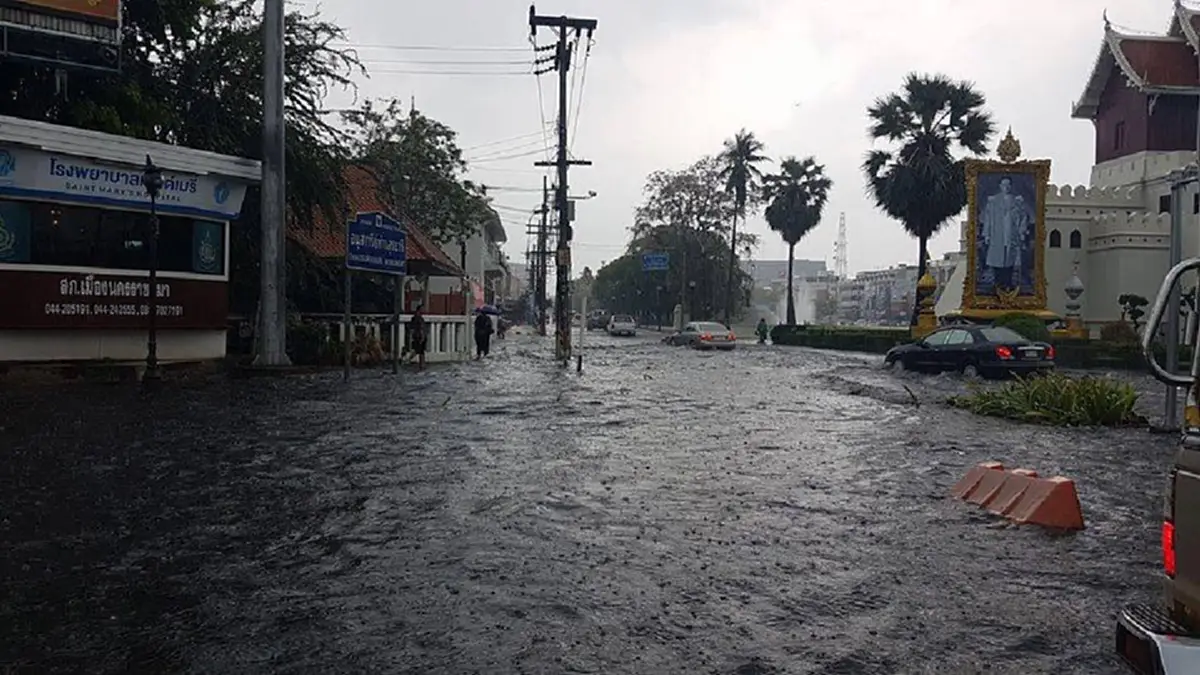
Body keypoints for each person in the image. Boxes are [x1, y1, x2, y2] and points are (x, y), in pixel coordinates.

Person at [979, 175, 1032, 291]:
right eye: (1004, 185)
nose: (1006, 187)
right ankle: (998, 283)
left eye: (1008, 185)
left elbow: (1023, 218)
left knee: (1009, 258)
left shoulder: (1017, 201)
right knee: (997, 258)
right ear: (1000, 186)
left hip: (1011, 234)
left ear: (1011, 186)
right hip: (997, 234)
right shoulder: (993, 201)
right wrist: (987, 234)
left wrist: (1021, 232)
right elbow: (988, 219)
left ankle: (1007, 283)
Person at [406, 305, 427, 371]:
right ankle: (420, 364)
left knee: (420, 351)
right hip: (418, 336)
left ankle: (422, 364)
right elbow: (420, 328)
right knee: (419, 351)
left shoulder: (416, 318)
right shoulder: (418, 318)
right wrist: (422, 337)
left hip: (418, 336)